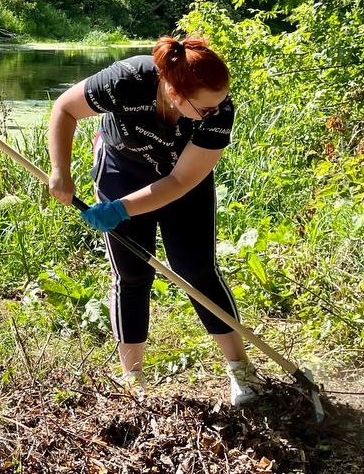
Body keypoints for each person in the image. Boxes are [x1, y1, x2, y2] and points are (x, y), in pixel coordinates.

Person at [46, 34, 264, 406]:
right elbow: (65, 110)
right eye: (207, 108)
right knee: (132, 275)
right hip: (121, 171)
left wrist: (120, 210)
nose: (217, 110)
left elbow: (179, 182)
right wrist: (60, 170)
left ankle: (240, 369)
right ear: (176, 93)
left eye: (219, 104)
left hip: (182, 181)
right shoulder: (126, 79)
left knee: (197, 270)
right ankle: (133, 380)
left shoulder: (219, 112)